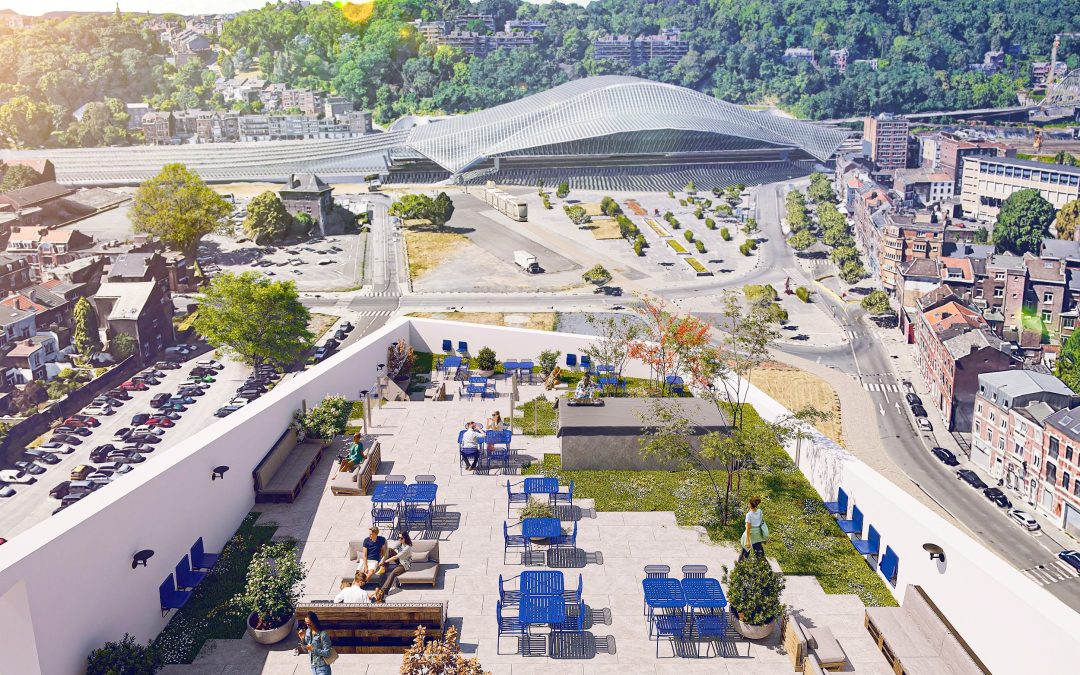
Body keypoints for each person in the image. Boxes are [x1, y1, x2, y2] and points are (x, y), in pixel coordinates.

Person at [370, 531, 413, 602]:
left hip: (404, 565)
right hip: (400, 560)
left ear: (405, 538)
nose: (399, 539)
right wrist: (383, 559)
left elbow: (395, 557)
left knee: (393, 573)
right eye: (398, 537)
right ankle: (383, 567)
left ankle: (382, 592)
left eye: (401, 538)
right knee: (389, 550)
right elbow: (390, 550)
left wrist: (384, 561)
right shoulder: (400, 543)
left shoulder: (407, 548)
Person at [739, 496, 767, 561]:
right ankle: (762, 567)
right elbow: (760, 522)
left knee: (744, 554)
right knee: (759, 554)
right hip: (758, 535)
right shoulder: (760, 511)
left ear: (750, 504)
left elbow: (748, 529)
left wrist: (748, 541)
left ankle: (740, 567)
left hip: (750, 535)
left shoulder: (749, 515)